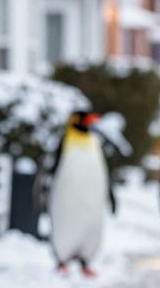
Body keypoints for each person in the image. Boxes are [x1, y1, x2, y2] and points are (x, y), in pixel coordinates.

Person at [47, 111, 117, 277]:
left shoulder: (94, 143)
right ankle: (61, 259)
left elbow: (104, 176)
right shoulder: (65, 143)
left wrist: (110, 195)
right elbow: (49, 173)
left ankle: (87, 259)